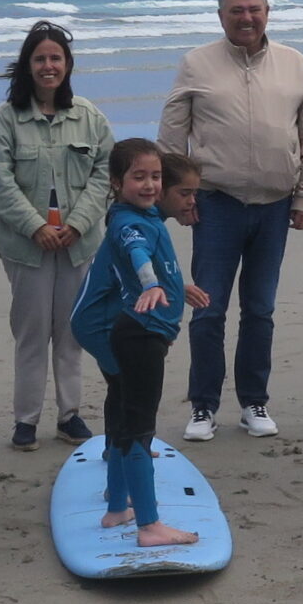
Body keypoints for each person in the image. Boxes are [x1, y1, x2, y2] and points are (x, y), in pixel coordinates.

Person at [158, 0, 303, 441]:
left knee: (260, 310)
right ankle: (203, 408)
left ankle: (255, 402)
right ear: (221, 15)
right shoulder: (196, 64)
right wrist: (179, 199)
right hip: (215, 205)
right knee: (208, 310)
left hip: (275, 208)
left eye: (254, 9)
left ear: (268, 12)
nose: (246, 18)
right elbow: (172, 139)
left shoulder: (296, 65)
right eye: (236, 11)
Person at [70, 141, 211, 548]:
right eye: (139, 177)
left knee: (122, 411)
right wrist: (152, 284)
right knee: (137, 429)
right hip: (130, 329)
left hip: (131, 324)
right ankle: (149, 525)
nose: (150, 185)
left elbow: (145, 255)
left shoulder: (144, 216)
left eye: (155, 177)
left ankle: (117, 504)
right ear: (116, 183)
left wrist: (173, 285)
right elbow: (136, 254)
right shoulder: (130, 223)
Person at [0, 22, 114, 450]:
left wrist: (78, 223)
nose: (48, 65)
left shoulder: (89, 117)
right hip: (26, 247)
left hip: (79, 245)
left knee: (71, 331)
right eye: (39, 58)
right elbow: (0, 182)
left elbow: (105, 173)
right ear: (28, 65)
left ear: (67, 65)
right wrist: (36, 226)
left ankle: (70, 415)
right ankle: (26, 420)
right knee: (33, 331)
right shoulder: (6, 121)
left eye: (55, 58)